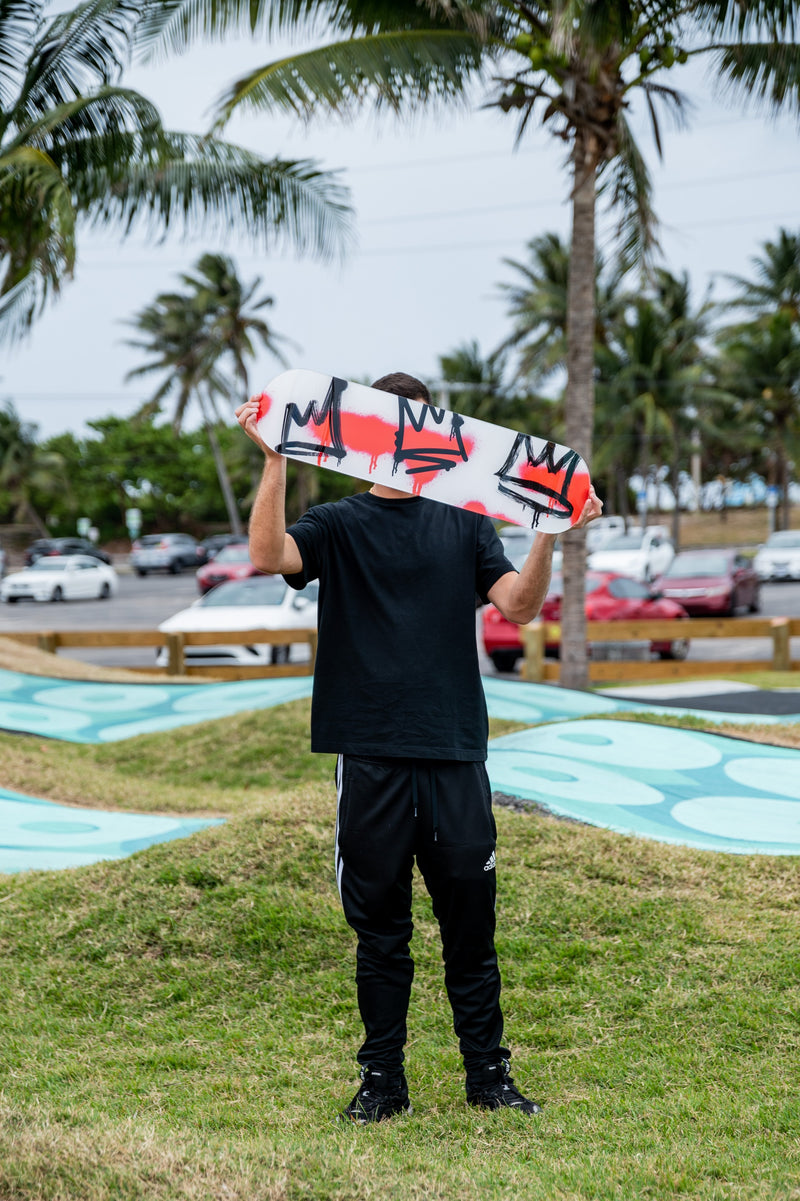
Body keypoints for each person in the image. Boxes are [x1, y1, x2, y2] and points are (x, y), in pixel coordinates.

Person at [236, 372, 602, 1124]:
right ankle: (382, 1084)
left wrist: (546, 529)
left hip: (455, 751)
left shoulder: (466, 524)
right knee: (382, 933)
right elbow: (268, 555)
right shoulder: (336, 523)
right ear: (365, 431)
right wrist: (274, 458)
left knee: (472, 925)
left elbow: (521, 607)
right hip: (368, 752)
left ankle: (488, 1078)